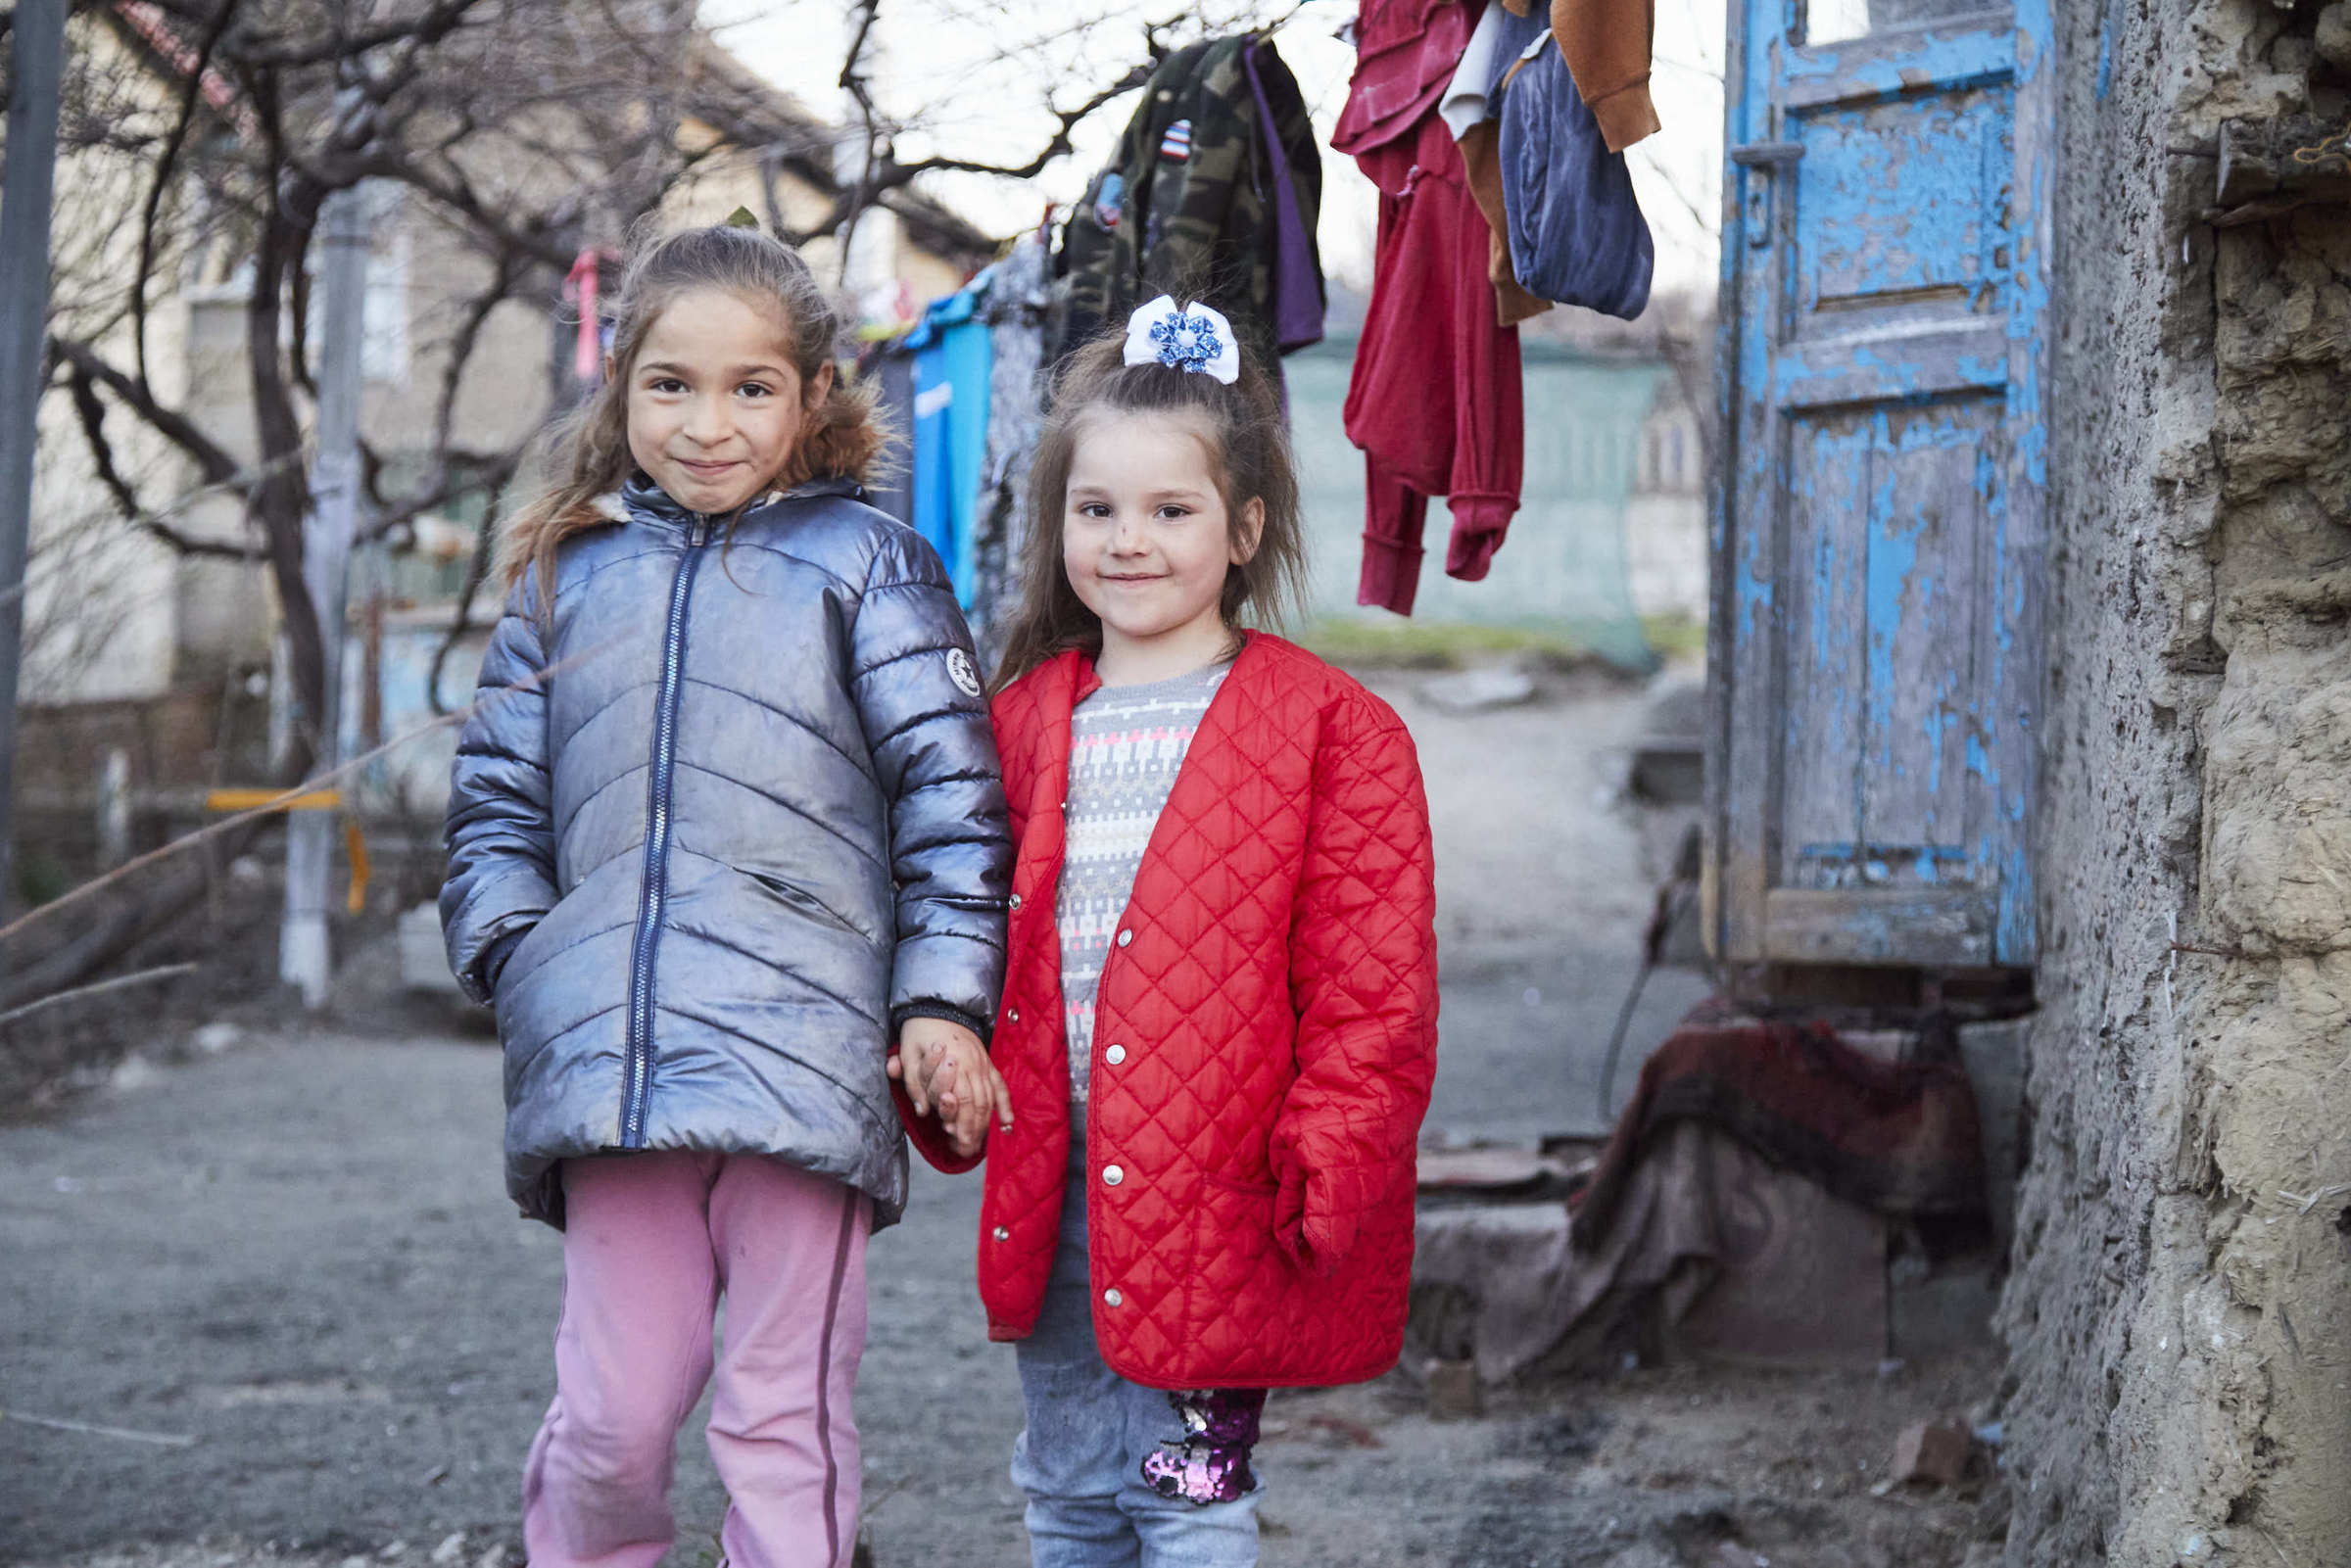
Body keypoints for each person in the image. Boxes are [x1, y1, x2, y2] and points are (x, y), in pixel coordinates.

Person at [439, 219, 1013, 1568]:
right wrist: (523, 960)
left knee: (778, 1414)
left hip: (805, 1071)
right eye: (671, 385)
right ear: (620, 386)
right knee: (610, 1420)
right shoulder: (559, 575)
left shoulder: (873, 569)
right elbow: (494, 808)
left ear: (814, 397)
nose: (708, 423)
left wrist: (942, 1002)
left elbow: (953, 803)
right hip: (612, 1074)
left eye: (750, 387)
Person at [895, 295, 1440, 1567]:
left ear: (1245, 528)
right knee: (1068, 1487)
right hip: (1058, 1173)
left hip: (1221, 1187)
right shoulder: (1021, 720)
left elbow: (1376, 988)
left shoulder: (1334, 733)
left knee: (1187, 1493)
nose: (1127, 541)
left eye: (1170, 511)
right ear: (1060, 523)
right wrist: (945, 1056)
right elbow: (962, 920)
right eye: (1097, 511)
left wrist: (1333, 1154)